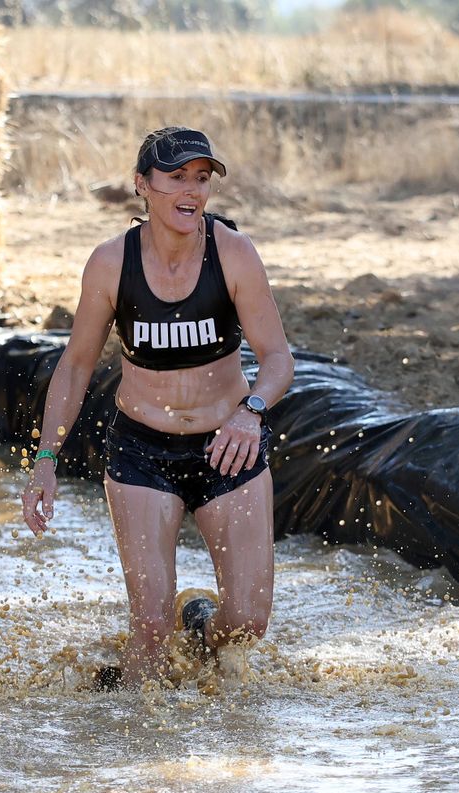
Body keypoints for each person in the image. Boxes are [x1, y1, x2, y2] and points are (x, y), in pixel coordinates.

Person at [21, 127, 294, 689]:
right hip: (142, 449)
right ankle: (125, 752)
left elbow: (278, 359)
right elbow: (75, 367)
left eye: (201, 178)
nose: (191, 191)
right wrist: (46, 457)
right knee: (148, 627)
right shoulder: (110, 264)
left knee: (246, 623)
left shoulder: (234, 253)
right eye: (176, 178)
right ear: (143, 185)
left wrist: (252, 411)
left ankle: (201, 630)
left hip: (229, 445)